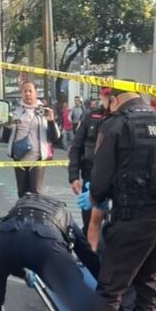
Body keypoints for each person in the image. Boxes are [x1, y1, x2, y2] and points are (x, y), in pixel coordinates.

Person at [85, 83, 156, 311]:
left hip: (131, 221)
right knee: (150, 289)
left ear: (114, 100)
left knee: (110, 290)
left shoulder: (116, 124)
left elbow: (100, 180)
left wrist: (96, 201)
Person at [0, 193, 101, 311]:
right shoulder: (64, 214)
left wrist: (22, 273)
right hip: (46, 244)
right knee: (74, 284)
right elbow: (86, 255)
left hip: (7, 238)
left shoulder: (17, 209)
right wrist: (107, 285)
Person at [5, 81, 60, 196]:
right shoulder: (15, 111)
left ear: (36, 93)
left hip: (37, 158)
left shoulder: (43, 111)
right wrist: (7, 126)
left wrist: (50, 121)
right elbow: (4, 138)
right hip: (19, 158)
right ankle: (21, 214)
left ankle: (33, 213)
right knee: (22, 193)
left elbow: (55, 137)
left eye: (30, 91)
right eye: (25, 91)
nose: (28, 94)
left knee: (35, 193)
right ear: (21, 93)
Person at [68, 89, 111, 226]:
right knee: (88, 222)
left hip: (113, 182)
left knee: (109, 225)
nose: (108, 97)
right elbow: (76, 147)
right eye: (105, 94)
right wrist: (74, 176)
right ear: (100, 95)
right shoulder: (90, 116)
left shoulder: (123, 117)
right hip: (89, 177)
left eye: (110, 94)